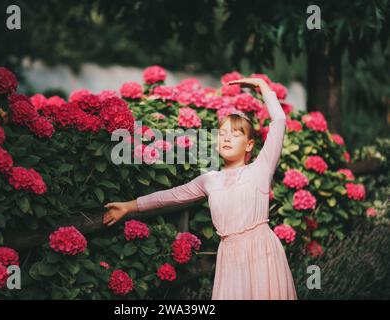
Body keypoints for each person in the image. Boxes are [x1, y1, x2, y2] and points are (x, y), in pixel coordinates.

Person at [102, 77, 297, 300]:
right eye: (222, 133)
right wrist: (129, 206)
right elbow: (171, 196)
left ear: (249, 145)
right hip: (230, 257)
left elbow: (279, 120)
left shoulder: (260, 169)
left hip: (263, 253)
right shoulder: (210, 180)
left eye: (235, 134)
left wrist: (262, 87)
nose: (227, 138)